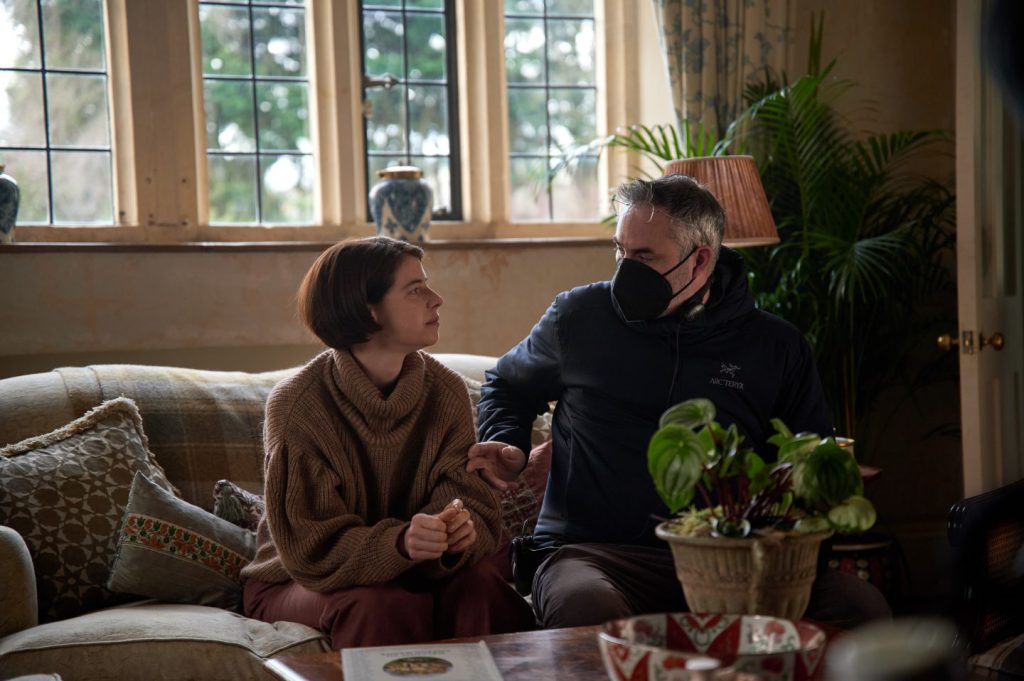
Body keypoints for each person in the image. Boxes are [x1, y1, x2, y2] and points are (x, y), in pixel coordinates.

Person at [468, 174, 891, 630]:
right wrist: (507, 441)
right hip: (592, 554)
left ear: (701, 259)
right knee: (585, 607)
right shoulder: (579, 316)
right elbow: (507, 384)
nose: (625, 271)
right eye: (620, 251)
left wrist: (790, 553)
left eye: (644, 256)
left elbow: (808, 459)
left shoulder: (775, 346)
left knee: (860, 606)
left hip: (732, 556)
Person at [242, 236, 535, 649]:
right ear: (368, 309)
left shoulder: (447, 392)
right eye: (415, 290)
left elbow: (469, 502)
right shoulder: (297, 405)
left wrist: (454, 531)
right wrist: (400, 542)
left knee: (481, 585)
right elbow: (308, 548)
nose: (437, 299)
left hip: (415, 569)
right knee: (382, 604)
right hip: (297, 580)